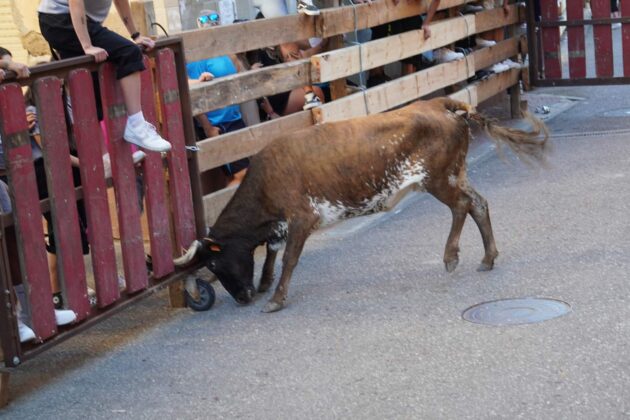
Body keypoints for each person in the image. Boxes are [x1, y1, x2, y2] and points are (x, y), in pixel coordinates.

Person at [0, 48, 78, 342]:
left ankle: (33, 311)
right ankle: (14, 320)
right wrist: (8, 64)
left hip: (9, 174)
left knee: (22, 242)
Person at [38, 0, 171, 152]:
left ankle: (105, 157)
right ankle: (136, 125)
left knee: (91, 89)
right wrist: (86, 45)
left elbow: (120, 1)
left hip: (80, 22)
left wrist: (136, 35)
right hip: (60, 20)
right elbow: (75, 3)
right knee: (129, 52)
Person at [187, 10, 250, 187]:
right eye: (205, 20)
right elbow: (192, 90)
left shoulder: (226, 51)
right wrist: (208, 128)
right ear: (198, 25)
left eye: (215, 18)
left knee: (242, 175)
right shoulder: (197, 55)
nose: (211, 23)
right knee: (241, 175)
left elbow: (241, 76)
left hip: (235, 119)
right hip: (218, 124)